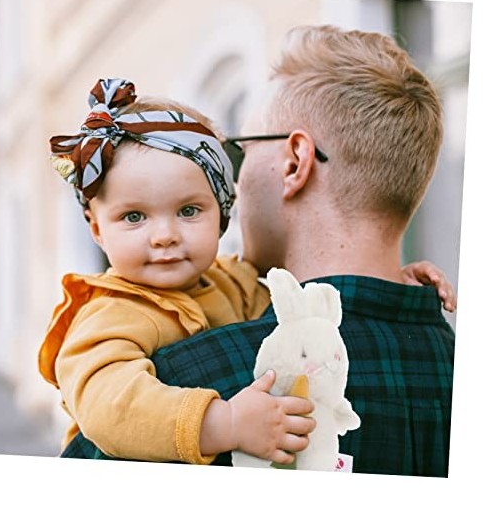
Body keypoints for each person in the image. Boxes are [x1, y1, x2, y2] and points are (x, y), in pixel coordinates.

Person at [64, 25, 456, 477]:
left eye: (242, 151)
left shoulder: (193, 382)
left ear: (294, 163)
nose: (238, 182)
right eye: (135, 217)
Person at [39, 78, 319, 465]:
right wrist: (227, 421)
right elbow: (112, 408)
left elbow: (301, 294)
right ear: (97, 229)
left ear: (221, 214)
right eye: (134, 217)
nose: (165, 236)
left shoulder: (233, 282)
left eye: (188, 211)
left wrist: (395, 275)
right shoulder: (110, 313)